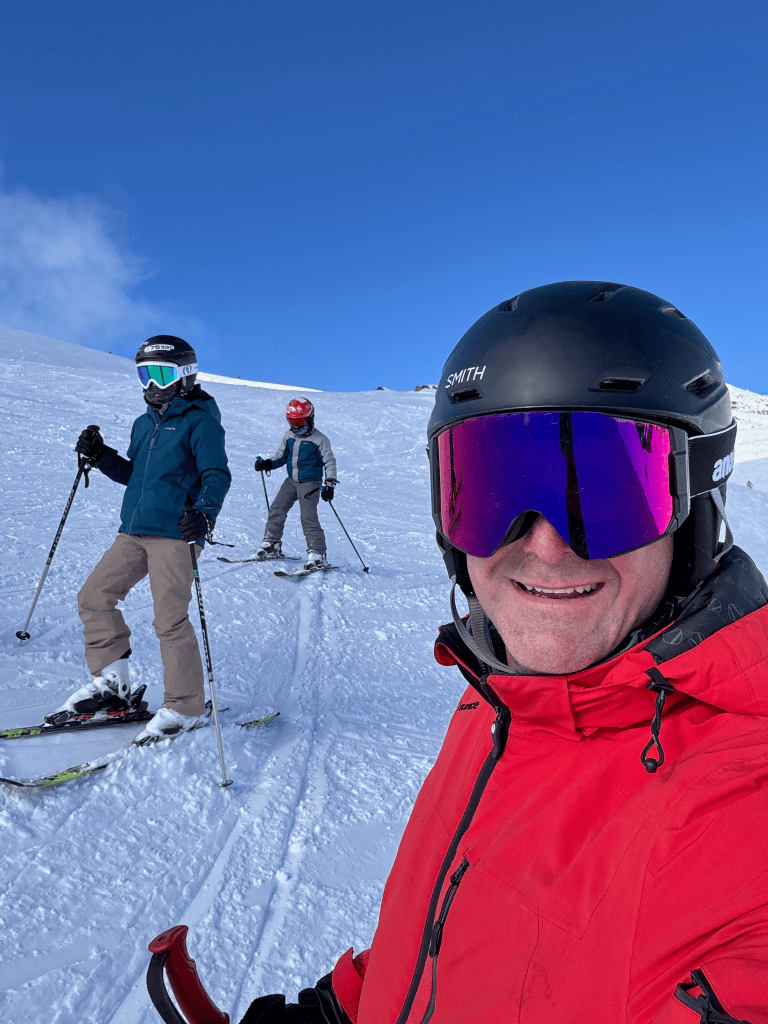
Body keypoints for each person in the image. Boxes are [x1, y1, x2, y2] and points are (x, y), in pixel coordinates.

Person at [235, 284, 768, 1023]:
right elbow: (465, 925)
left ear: (696, 511)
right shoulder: (497, 694)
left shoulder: (743, 797)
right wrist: (348, 1007)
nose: (546, 548)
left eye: (609, 493)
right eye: (490, 493)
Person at [46, 335, 231, 744]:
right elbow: (138, 476)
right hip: (134, 530)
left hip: (175, 534)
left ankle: (185, 707)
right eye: (144, 374)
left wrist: (204, 513)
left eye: (161, 374)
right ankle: (113, 685)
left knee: (169, 619)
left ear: (185, 375)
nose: (151, 384)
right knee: (94, 597)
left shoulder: (200, 421)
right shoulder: (143, 423)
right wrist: (103, 456)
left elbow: (216, 473)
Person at [253, 398, 338, 570]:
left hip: (310, 483)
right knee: (277, 508)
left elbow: (329, 462)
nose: (296, 426)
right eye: (292, 422)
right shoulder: (289, 436)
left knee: (308, 517)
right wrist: (268, 463)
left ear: (310, 418)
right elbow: (282, 456)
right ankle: (271, 543)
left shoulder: (320, 439)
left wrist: (330, 485)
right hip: (291, 480)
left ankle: (317, 553)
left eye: (299, 422)